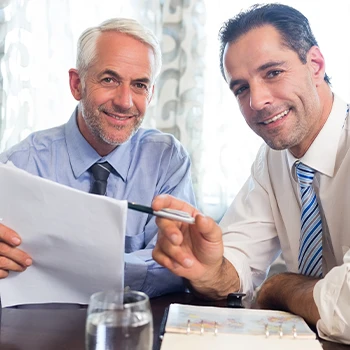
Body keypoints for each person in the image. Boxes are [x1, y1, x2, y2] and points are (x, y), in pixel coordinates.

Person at [152, 3, 350, 344]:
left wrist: (279, 286)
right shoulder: (271, 161)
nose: (257, 101)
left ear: (315, 65)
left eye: (273, 73)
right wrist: (207, 268)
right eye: (241, 88)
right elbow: (236, 263)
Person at [0, 18, 196, 299]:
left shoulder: (167, 160)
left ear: (151, 93)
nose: (125, 101)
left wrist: (67, 267)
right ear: (77, 84)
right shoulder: (19, 165)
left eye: (140, 85)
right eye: (109, 79)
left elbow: (176, 265)